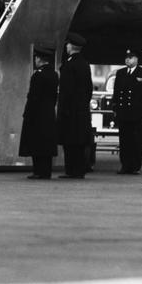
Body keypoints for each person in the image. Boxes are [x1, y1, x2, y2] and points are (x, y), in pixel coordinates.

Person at [18, 45, 58, 179]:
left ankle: (38, 171)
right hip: (49, 112)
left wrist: (27, 113)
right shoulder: (54, 74)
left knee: (36, 143)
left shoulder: (38, 75)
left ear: (40, 59)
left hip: (37, 113)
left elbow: (33, 96)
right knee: (46, 144)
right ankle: (46, 171)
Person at [57, 32, 93, 179]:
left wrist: (64, 109)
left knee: (70, 142)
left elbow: (66, 90)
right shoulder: (84, 64)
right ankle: (79, 169)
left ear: (71, 46)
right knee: (79, 142)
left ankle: (71, 170)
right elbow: (89, 88)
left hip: (69, 111)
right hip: (81, 110)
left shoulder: (69, 65)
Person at [112, 49, 142, 175]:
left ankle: (135, 166)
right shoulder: (121, 73)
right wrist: (115, 108)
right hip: (123, 112)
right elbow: (116, 92)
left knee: (136, 141)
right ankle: (125, 165)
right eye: (127, 57)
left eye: (131, 57)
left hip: (137, 113)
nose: (128, 60)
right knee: (124, 140)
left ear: (137, 59)